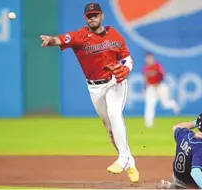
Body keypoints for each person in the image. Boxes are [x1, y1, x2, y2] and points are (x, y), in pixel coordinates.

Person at [39, 2, 139, 183]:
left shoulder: (115, 34)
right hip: (94, 87)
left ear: (102, 16)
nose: (93, 17)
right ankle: (130, 162)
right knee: (110, 130)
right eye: (89, 15)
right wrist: (50, 40)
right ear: (85, 18)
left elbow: (127, 57)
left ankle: (123, 158)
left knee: (115, 113)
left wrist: (127, 69)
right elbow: (61, 39)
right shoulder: (80, 36)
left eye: (95, 14)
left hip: (115, 82)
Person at [157, 111, 202, 189]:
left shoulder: (185, 134)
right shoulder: (201, 147)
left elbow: (176, 127)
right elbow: (195, 173)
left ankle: (175, 187)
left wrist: (195, 123)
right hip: (191, 183)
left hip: (176, 178)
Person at [142, 52, 180, 127]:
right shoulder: (145, 68)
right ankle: (149, 123)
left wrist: (158, 83)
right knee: (150, 105)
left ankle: (173, 104)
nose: (148, 59)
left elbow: (162, 75)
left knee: (165, 104)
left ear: (152, 58)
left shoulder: (157, 65)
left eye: (150, 58)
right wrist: (145, 89)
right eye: (147, 58)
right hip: (151, 87)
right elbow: (145, 80)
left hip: (160, 86)